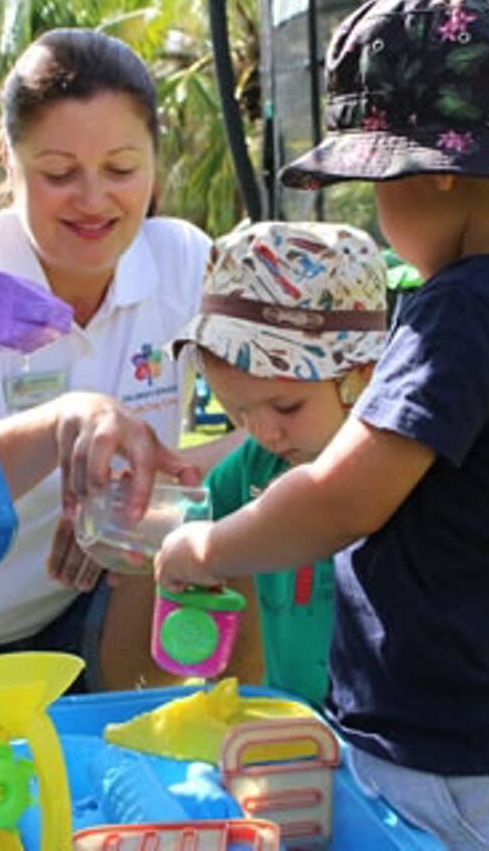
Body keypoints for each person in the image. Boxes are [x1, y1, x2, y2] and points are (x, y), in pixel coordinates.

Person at [155, 0, 489, 850]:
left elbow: (343, 499)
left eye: (375, 184)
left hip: (448, 753)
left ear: (440, 173)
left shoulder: (464, 307)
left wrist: (207, 546)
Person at [0, 29, 249, 715]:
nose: (93, 200)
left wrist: (125, 486)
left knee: (191, 716)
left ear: (157, 163)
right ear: (8, 160)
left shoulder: (183, 261)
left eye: (122, 169)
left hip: (93, 611)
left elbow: (292, 434)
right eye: (60, 173)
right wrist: (67, 426)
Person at [170, 220, 387, 708]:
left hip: (390, 736)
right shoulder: (252, 467)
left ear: (362, 375)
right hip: (285, 723)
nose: (263, 432)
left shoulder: (393, 472)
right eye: (239, 410)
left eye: (286, 408)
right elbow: (200, 527)